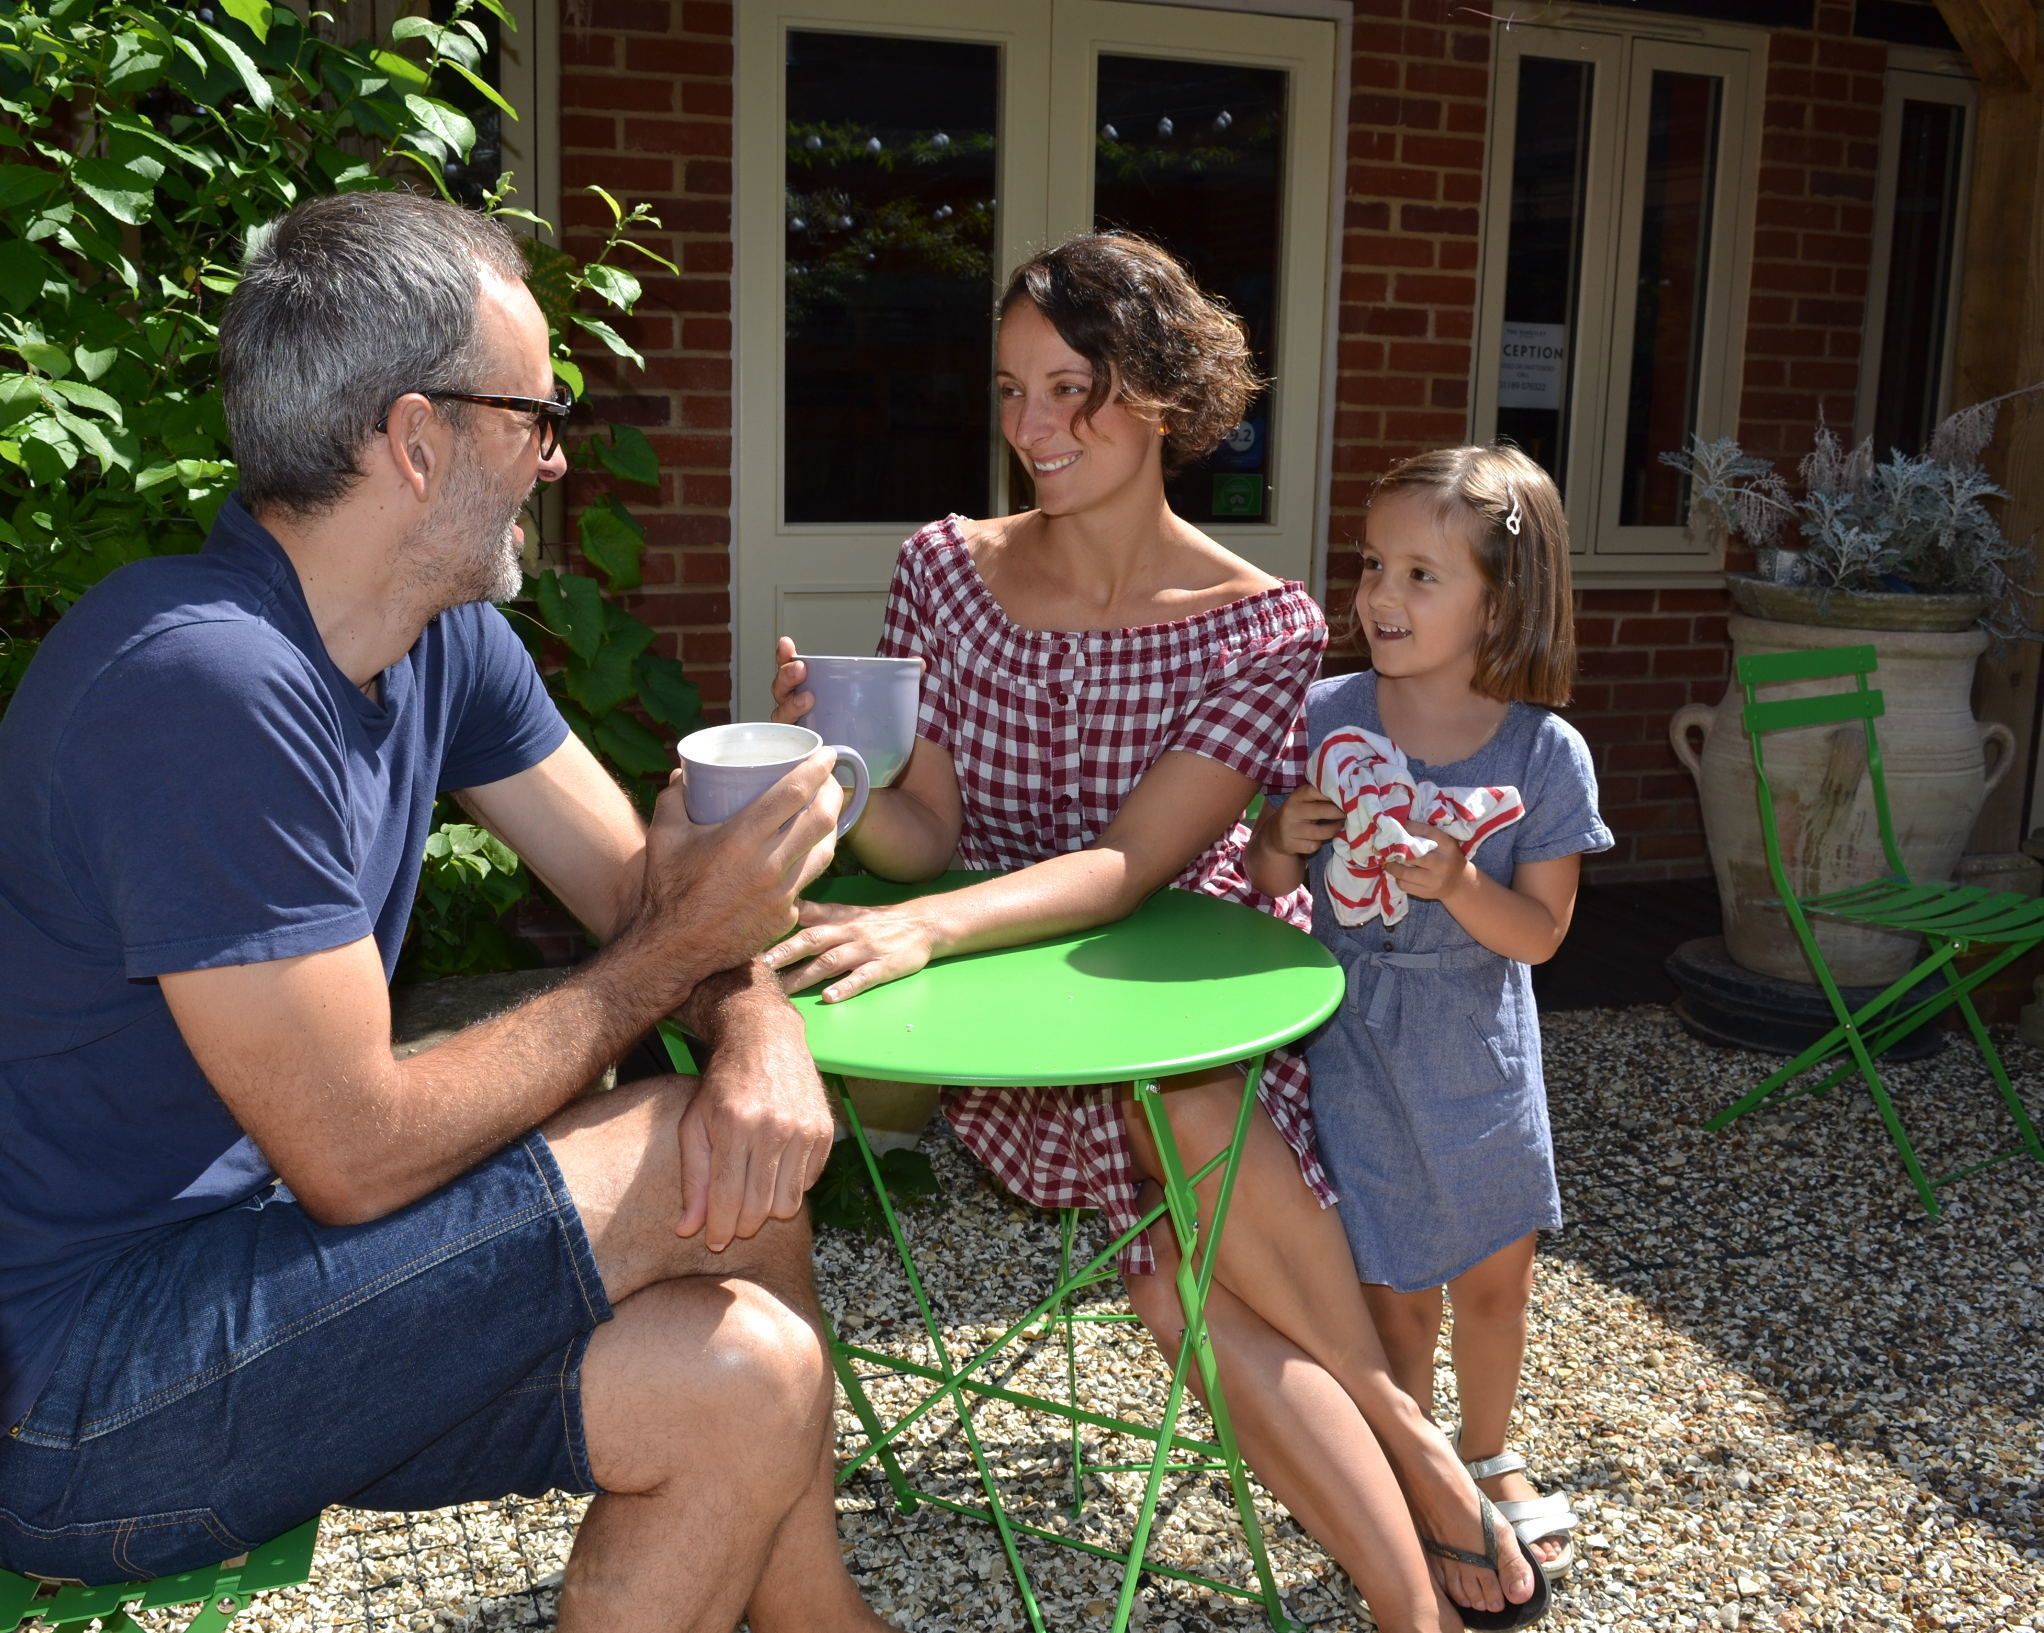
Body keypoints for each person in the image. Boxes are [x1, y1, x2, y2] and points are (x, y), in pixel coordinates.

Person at [0, 191, 892, 1633]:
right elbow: (359, 1155)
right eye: (533, 417)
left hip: (263, 1283)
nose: (551, 458)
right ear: (418, 441)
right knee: (679, 1144)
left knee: (746, 1377)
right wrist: (692, 960)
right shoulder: (200, 687)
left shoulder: (443, 639)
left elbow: (638, 883)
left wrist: (757, 1025)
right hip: (83, 1392)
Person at [767, 231, 1543, 1631]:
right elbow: (925, 836)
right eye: (1012, 392)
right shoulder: (943, 568)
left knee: (1189, 1269)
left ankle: (1403, 1598)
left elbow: (1132, 868)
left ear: (1167, 395)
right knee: (1184, 1207)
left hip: (1203, 1018)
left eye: (1078, 391)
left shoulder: (1263, 626)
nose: (1036, 430)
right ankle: (1425, 1466)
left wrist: (928, 931)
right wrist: (843, 763)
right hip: (1030, 1026)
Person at [1246, 444, 1612, 1587]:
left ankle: (1490, 1446)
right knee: (1394, 1289)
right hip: (1350, 1044)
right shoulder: (1320, 714)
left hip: (1479, 1055)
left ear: (1502, 599)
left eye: (1420, 575)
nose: (1378, 598)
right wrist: (1276, 845)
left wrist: (1459, 883)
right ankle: (1408, 1469)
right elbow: (1261, 885)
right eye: (1369, 566)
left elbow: (1541, 933)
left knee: (1495, 1279)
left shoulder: (1542, 754)